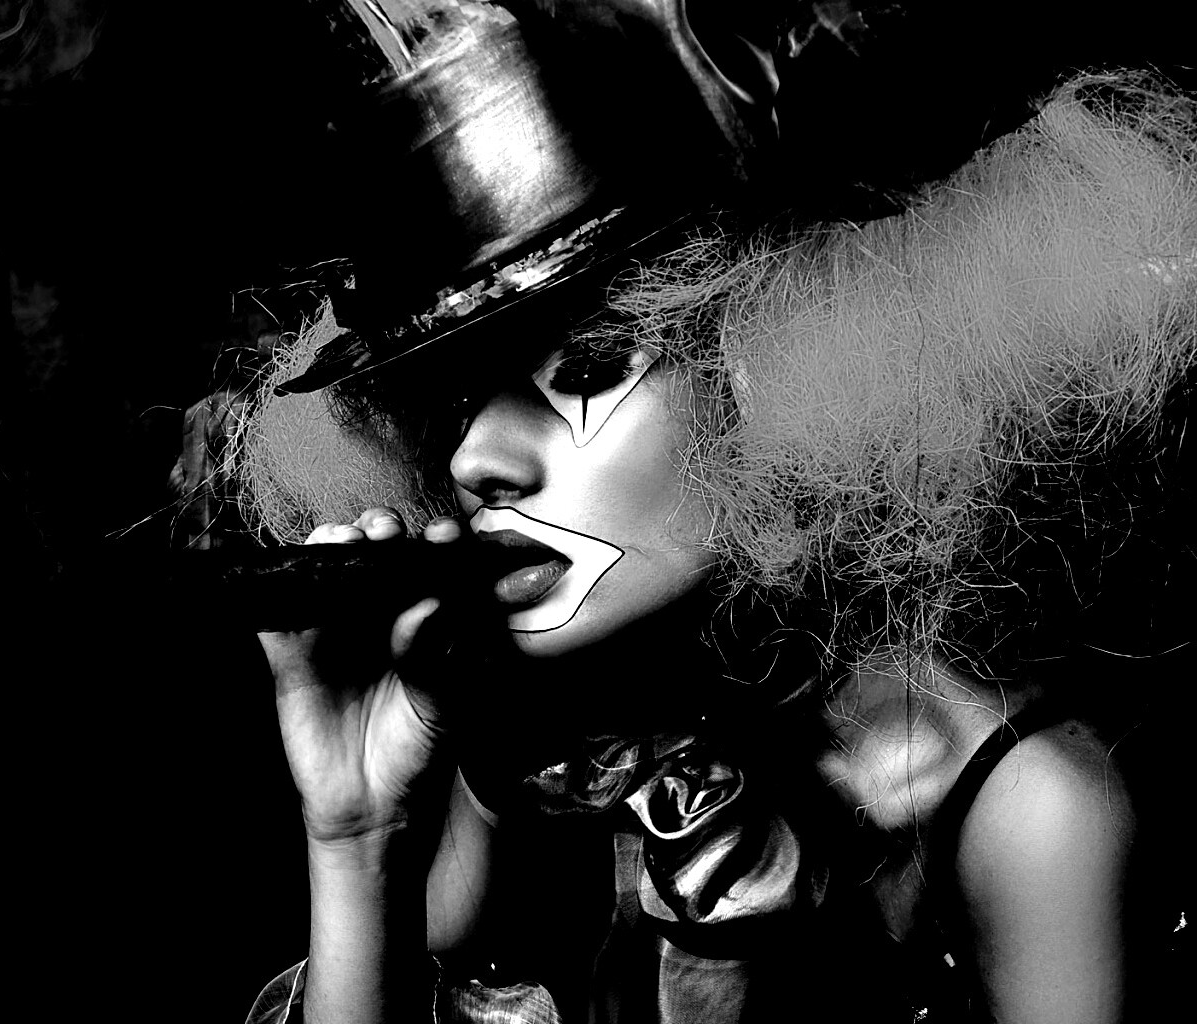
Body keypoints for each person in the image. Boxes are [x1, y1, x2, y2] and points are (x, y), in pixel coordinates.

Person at [199, 6, 1196, 1023]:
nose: (475, 460)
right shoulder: (521, 754)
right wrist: (354, 837)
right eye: (455, 406)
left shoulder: (1031, 815)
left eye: (589, 369)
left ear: (782, 358)